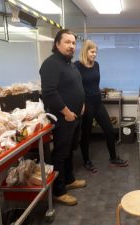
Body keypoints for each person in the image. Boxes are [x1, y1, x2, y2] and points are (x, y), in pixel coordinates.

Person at [40, 29, 86, 206]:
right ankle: (59, 191)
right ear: (57, 44)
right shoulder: (51, 64)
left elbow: (76, 85)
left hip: (75, 116)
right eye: (67, 42)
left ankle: (69, 179)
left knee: (69, 151)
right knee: (60, 154)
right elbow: (49, 92)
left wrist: (82, 104)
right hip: (63, 118)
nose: (71, 46)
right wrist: (66, 112)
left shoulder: (69, 63)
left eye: (73, 43)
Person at [74, 40, 128, 173]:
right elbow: (75, 87)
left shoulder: (96, 65)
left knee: (109, 130)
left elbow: (94, 83)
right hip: (86, 104)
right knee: (86, 134)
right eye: (92, 52)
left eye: (96, 52)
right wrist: (80, 104)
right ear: (85, 51)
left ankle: (113, 158)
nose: (95, 54)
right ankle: (87, 161)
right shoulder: (77, 66)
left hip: (98, 102)